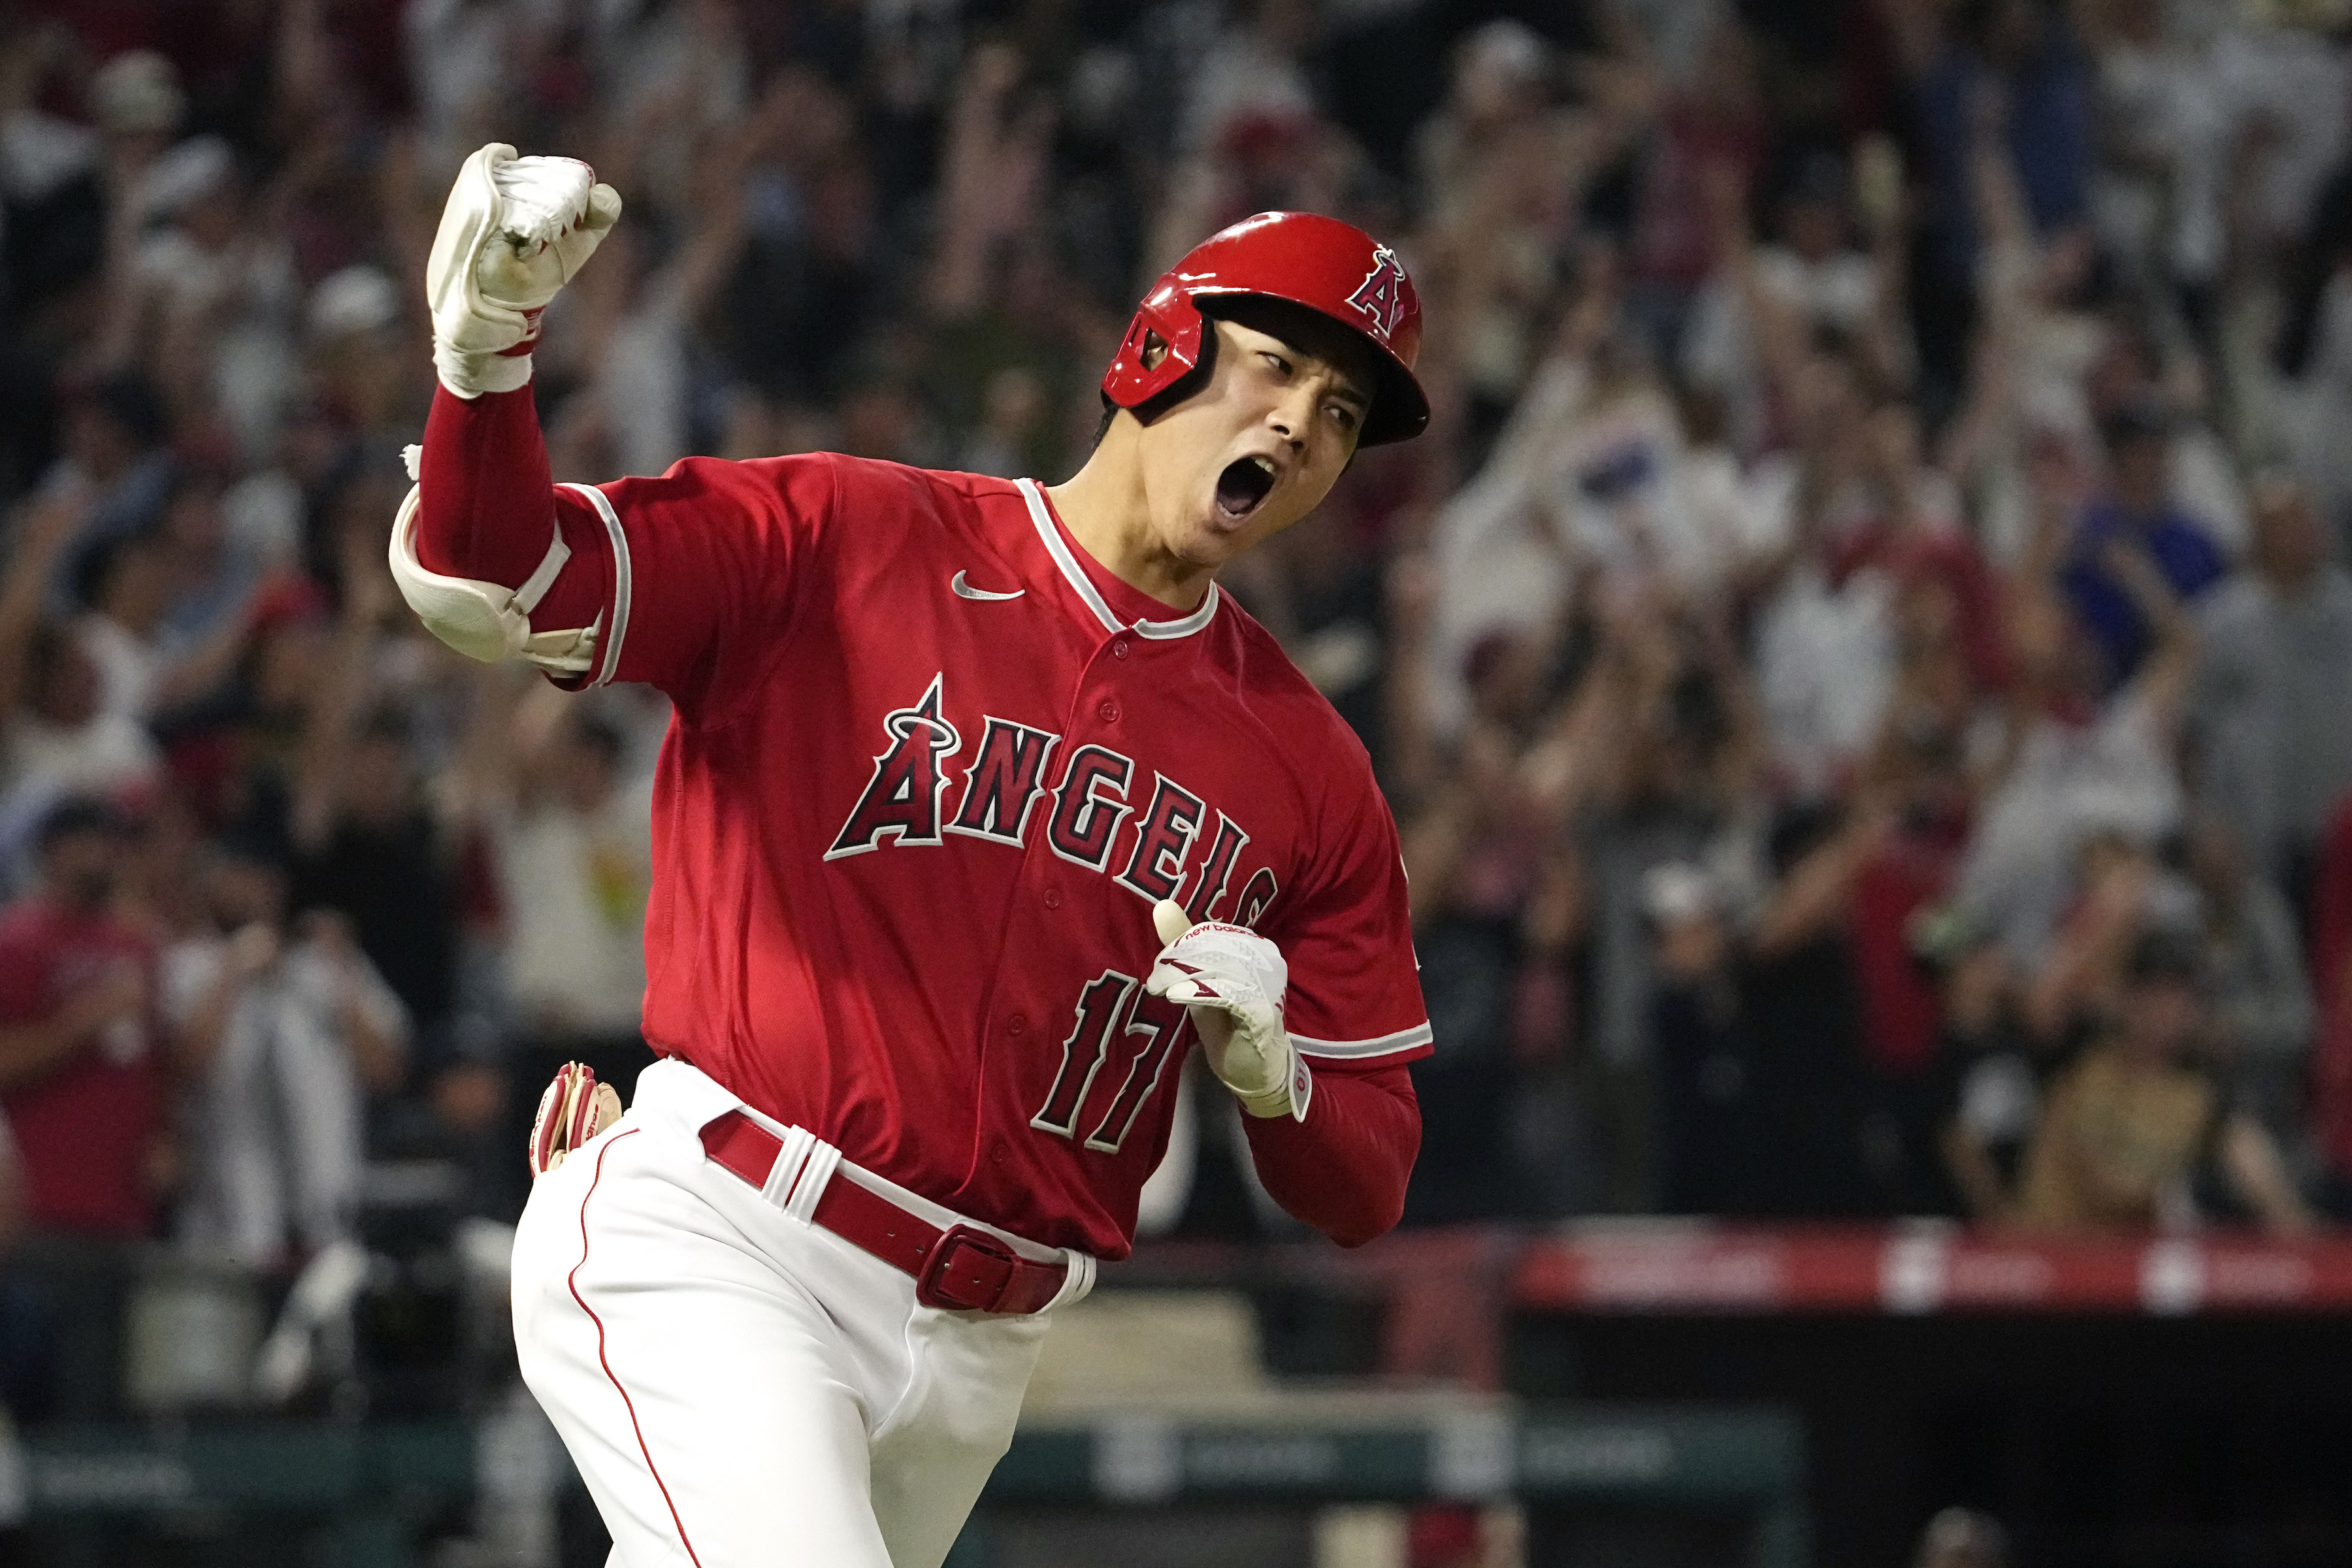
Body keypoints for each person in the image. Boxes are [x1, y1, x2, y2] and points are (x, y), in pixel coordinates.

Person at [397, 148, 1431, 1567]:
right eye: (1272, 367)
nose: (1301, 425)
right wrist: (486, 357)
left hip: (977, 1358)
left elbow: (1365, 1182)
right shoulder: (852, 536)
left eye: (1340, 413)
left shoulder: (1309, 767)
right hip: (726, 1240)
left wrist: (1275, 1073)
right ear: (1159, 346)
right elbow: (497, 581)